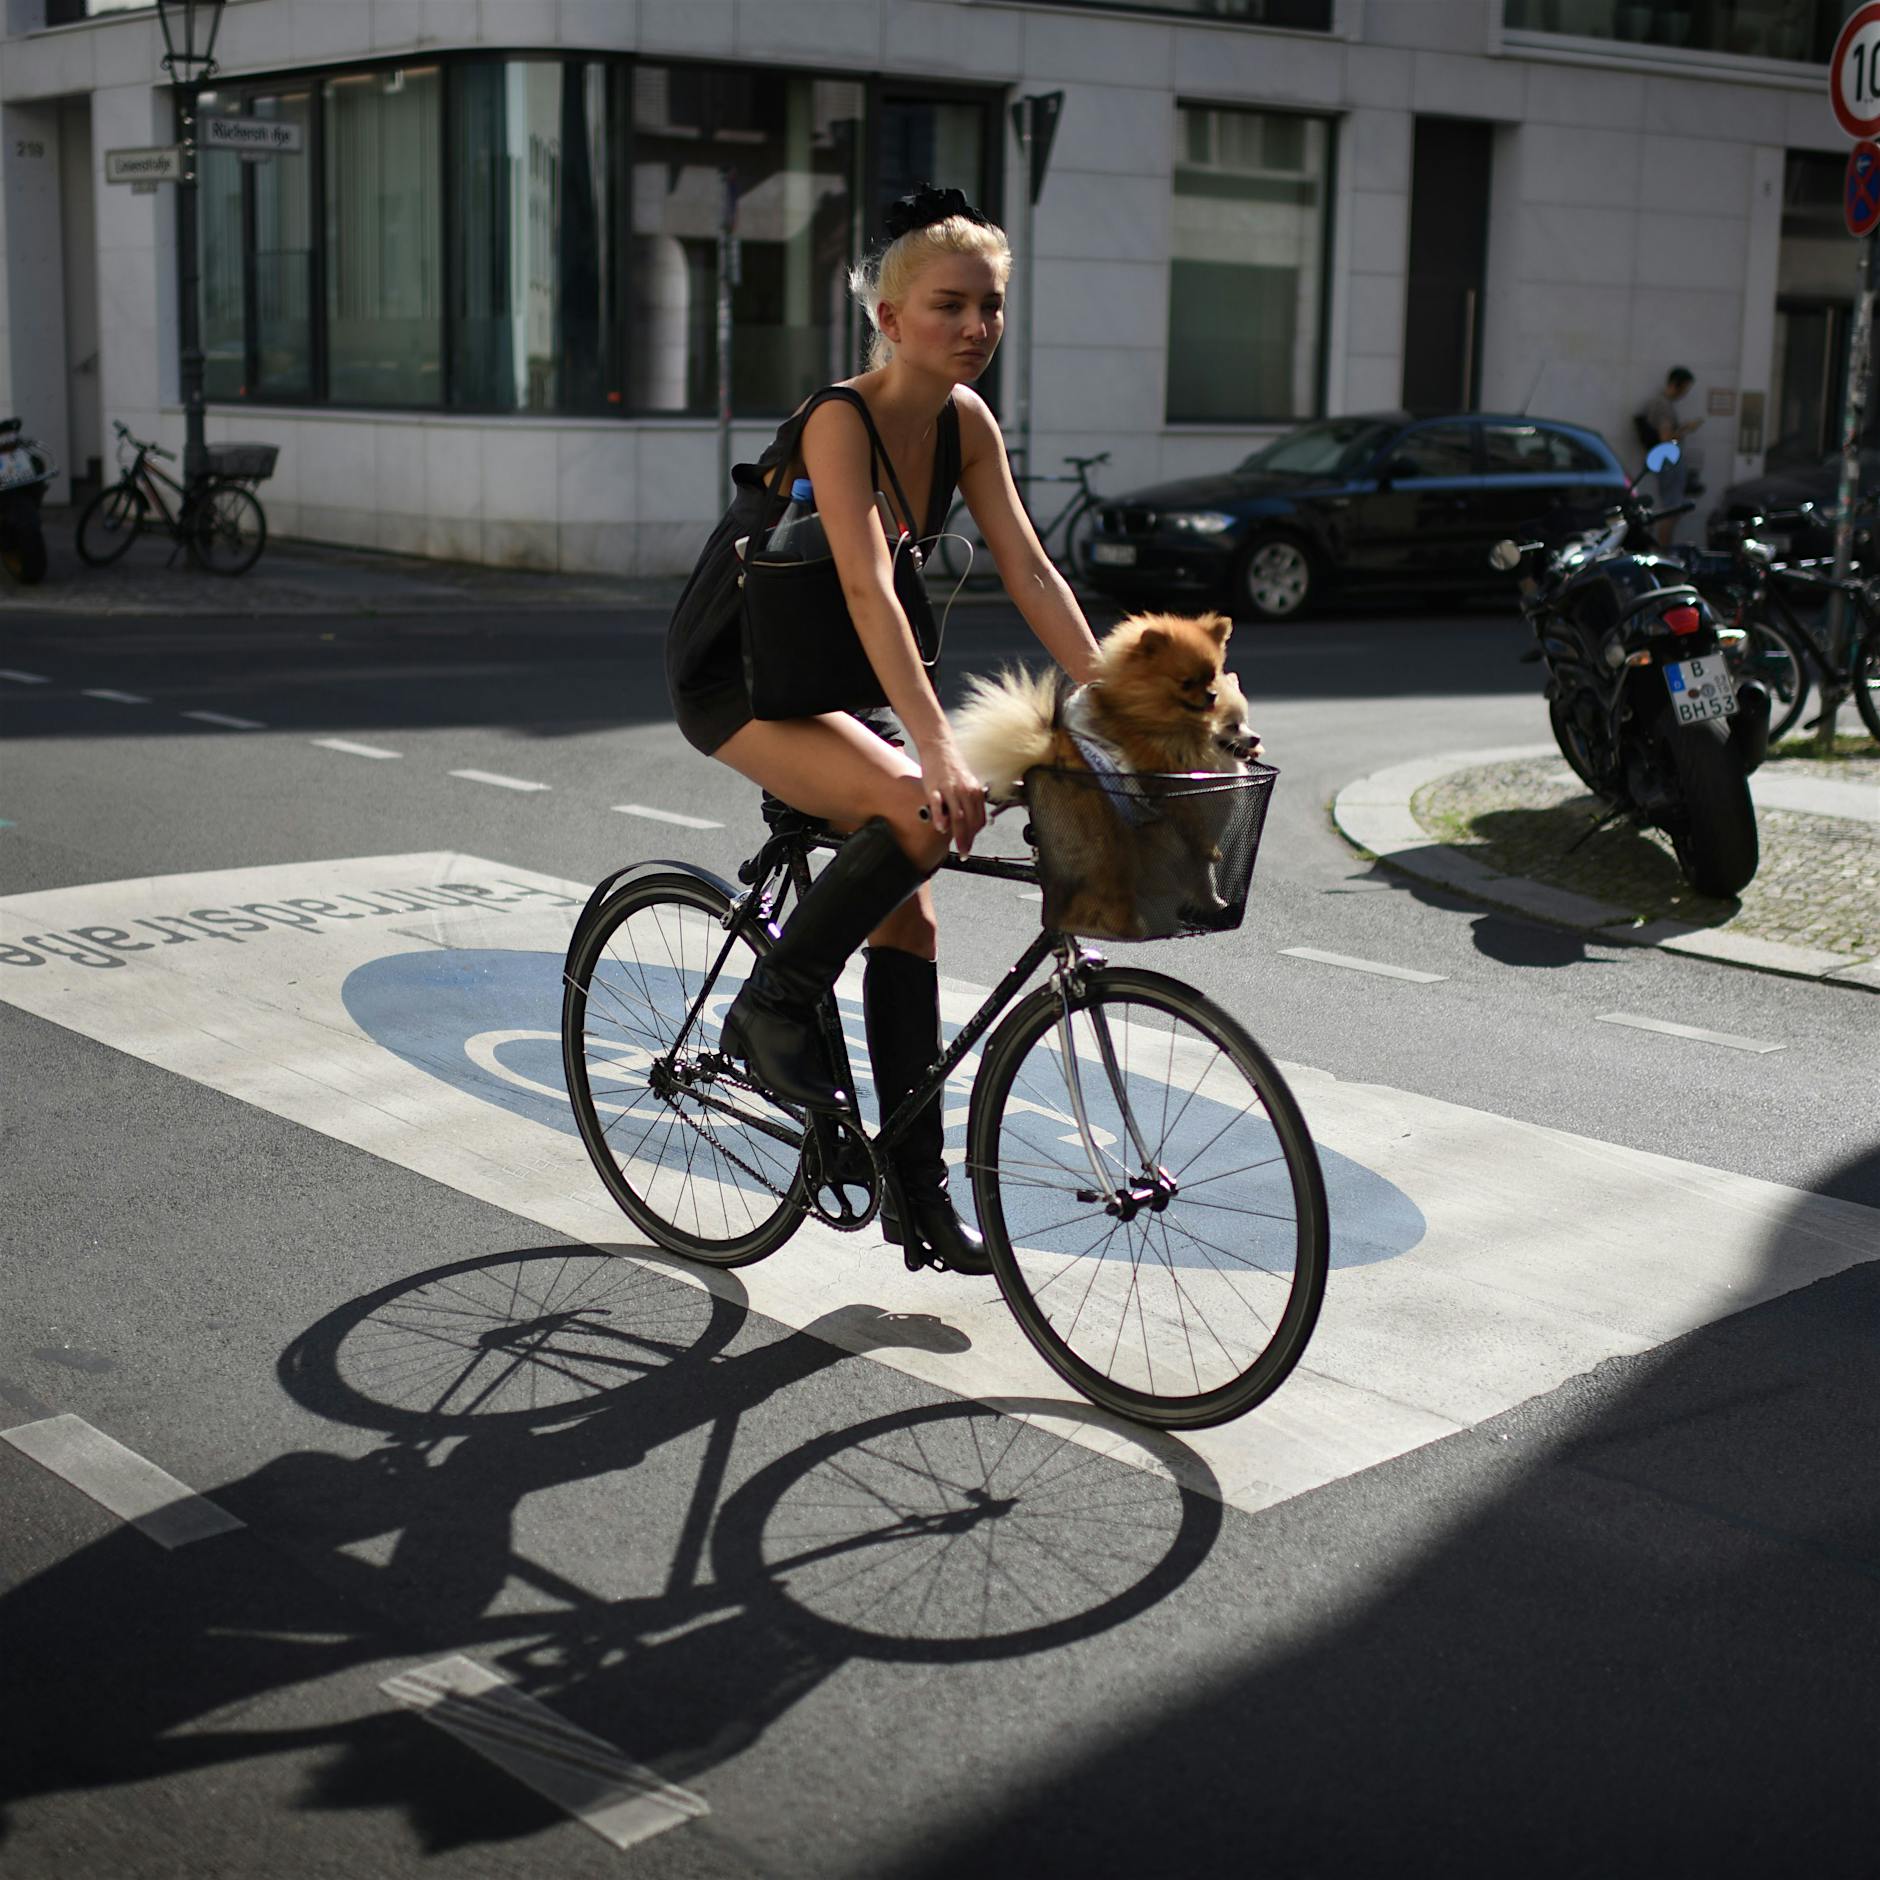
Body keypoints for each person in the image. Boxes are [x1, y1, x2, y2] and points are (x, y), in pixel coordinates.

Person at [663, 183, 1103, 1276]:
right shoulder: (838, 418)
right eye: (950, 305)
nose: (975, 327)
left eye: (992, 306)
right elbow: (864, 586)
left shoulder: (965, 423)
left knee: (912, 929)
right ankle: (770, 1007)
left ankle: (915, 1189)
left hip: (843, 676)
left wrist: (1113, 697)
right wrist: (938, 750)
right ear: (889, 317)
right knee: (919, 807)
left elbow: (1031, 568)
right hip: (743, 676)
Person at [1644, 366, 1704, 548]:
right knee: (1671, 511)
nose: (1685, 393)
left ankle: (1663, 549)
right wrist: (1687, 429)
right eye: (1685, 388)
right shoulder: (1662, 405)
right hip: (1668, 463)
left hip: (1667, 463)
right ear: (1676, 385)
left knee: (1671, 510)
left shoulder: (1662, 404)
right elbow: (1666, 439)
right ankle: (1663, 551)